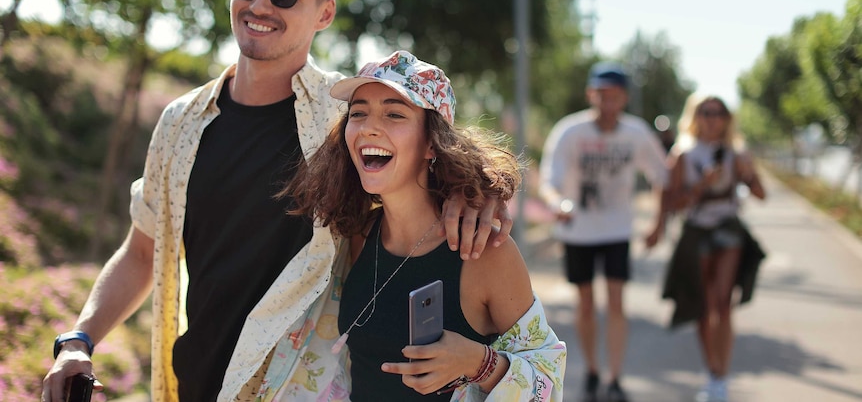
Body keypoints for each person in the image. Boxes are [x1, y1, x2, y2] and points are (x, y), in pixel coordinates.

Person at [41, 0, 511, 402]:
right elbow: (141, 253)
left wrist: (478, 194)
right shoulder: (181, 123)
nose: (260, 4)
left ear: (325, 12)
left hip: (296, 386)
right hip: (194, 385)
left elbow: (424, 165)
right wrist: (78, 340)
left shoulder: (346, 119)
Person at [281, 50, 566, 401]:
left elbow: (548, 384)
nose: (369, 126)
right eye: (358, 113)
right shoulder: (355, 236)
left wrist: (480, 362)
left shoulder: (483, 250)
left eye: (394, 113)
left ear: (432, 143)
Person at [538, 61, 669, 402]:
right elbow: (549, 181)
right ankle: (593, 370)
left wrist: (658, 222)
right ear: (590, 94)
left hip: (616, 230)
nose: (606, 102)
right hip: (578, 231)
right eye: (600, 94)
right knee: (584, 304)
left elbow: (662, 176)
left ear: (623, 97)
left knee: (615, 302)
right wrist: (558, 204)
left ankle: (615, 377)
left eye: (613, 95)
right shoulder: (571, 132)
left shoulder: (636, 133)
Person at [660, 94, 766, 402]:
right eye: (706, 112)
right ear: (696, 116)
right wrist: (702, 186)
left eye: (719, 112)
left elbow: (761, 194)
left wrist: (748, 173)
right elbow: (674, 203)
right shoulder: (683, 153)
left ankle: (721, 374)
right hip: (696, 230)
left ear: (726, 118)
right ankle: (713, 370)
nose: (712, 118)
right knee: (704, 306)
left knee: (723, 302)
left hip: (728, 229)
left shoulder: (737, 152)